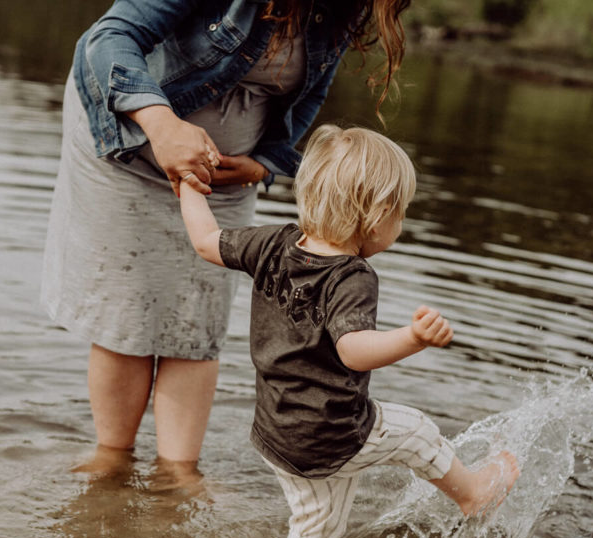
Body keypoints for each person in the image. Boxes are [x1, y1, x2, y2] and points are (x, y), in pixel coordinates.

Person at [41, 0, 413, 476]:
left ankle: (179, 473)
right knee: (128, 311)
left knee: (197, 322)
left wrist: (266, 163)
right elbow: (110, 38)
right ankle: (111, 459)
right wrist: (162, 124)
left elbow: (313, 87)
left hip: (224, 175)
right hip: (130, 142)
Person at [178, 124, 521, 538]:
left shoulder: (273, 243)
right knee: (416, 431)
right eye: (401, 213)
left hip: (276, 429)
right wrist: (413, 339)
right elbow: (354, 351)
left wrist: (187, 185)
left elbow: (206, 241)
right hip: (330, 430)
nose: (400, 224)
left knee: (317, 523)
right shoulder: (351, 276)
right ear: (377, 217)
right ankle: (473, 493)